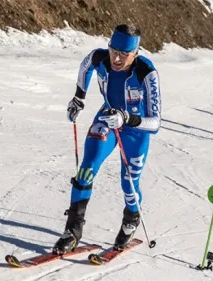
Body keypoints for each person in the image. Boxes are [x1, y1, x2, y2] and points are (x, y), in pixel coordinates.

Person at [53, 23, 162, 255]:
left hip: (135, 130)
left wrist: (127, 119)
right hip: (108, 117)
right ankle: (72, 231)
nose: (117, 59)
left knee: (129, 184)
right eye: (114, 50)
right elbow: (85, 67)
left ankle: (131, 219)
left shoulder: (147, 73)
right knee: (86, 169)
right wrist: (78, 98)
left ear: (136, 53)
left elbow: (155, 123)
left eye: (125, 54)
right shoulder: (99, 58)